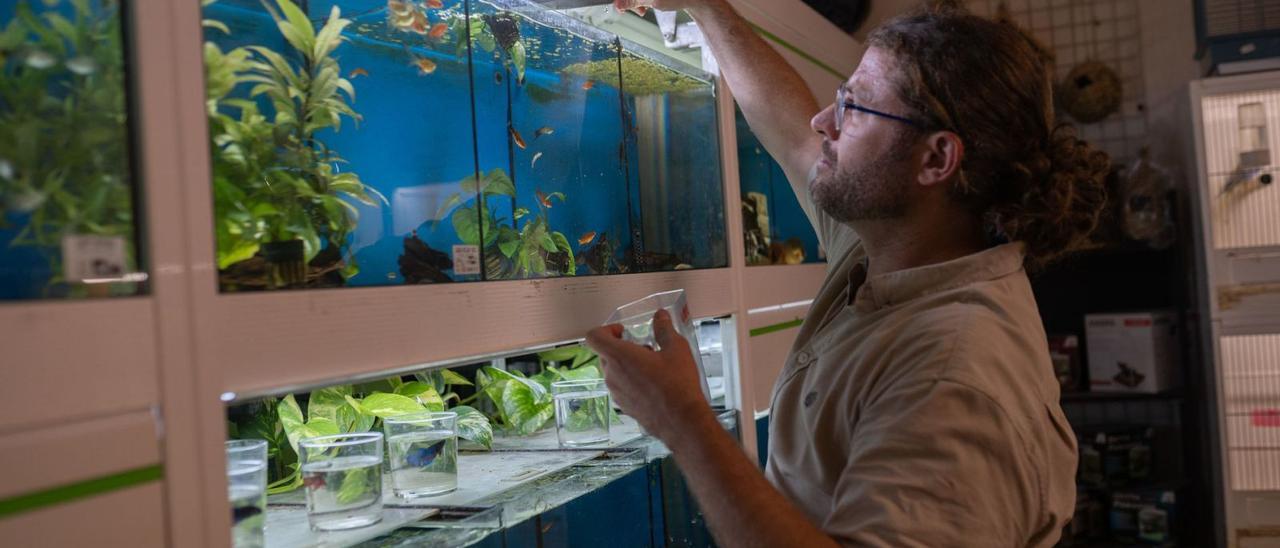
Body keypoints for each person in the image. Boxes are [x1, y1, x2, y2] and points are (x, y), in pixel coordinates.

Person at [586, 1, 1111, 546]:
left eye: (855, 108)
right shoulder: (889, 243)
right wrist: (705, 6)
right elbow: (789, 129)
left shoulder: (954, 375)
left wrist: (683, 420)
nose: (824, 121)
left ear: (936, 160)